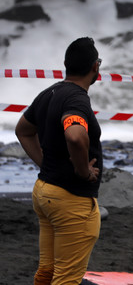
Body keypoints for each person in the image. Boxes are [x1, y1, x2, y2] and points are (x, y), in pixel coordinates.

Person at [15, 37, 103, 285]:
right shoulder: (76, 99)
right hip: (71, 199)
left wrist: (45, 165)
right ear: (95, 67)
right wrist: (83, 170)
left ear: (66, 65)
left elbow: (23, 130)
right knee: (66, 279)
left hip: (45, 192)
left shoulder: (49, 93)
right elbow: (75, 135)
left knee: (48, 271)